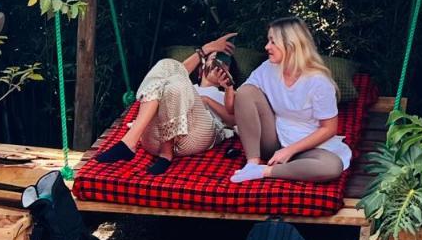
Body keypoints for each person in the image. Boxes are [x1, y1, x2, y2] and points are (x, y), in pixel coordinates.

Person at [94, 33, 238, 175]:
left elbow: (234, 121)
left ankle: (159, 150)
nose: (219, 66)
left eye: (225, 64)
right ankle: (132, 142)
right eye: (214, 60)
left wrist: (215, 96)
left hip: (196, 135)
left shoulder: (227, 94)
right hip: (155, 140)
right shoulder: (181, 85)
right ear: (201, 69)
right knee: (166, 65)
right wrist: (206, 49)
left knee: (179, 82)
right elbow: (175, 71)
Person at [229, 17, 351, 184]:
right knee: (245, 92)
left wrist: (289, 151)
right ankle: (252, 163)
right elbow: (241, 101)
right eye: (268, 41)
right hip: (273, 140)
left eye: (272, 41)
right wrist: (226, 89)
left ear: (291, 45)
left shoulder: (319, 82)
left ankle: (265, 171)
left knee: (332, 166)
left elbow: (329, 129)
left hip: (308, 147)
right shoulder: (267, 68)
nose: (267, 47)